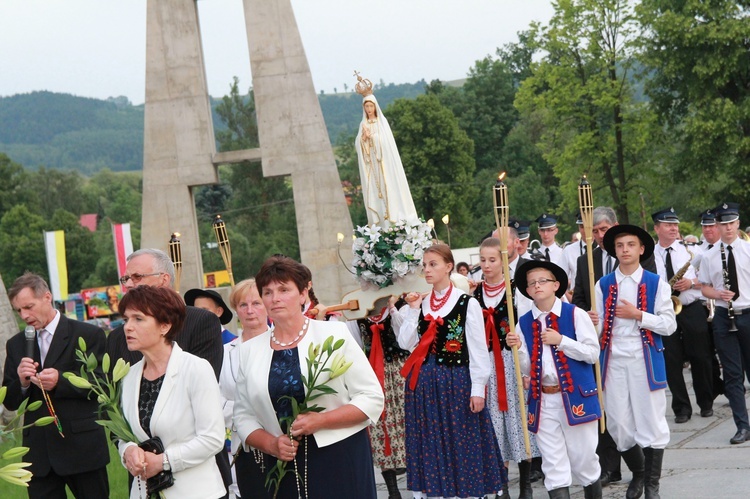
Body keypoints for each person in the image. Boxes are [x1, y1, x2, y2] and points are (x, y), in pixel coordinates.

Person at [234, 256, 384, 498]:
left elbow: (371, 398)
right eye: (268, 292)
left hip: (338, 457)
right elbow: (242, 415)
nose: (275, 298)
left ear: (303, 294)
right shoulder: (249, 351)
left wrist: (321, 421)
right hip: (282, 462)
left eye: (284, 289)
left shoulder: (333, 334)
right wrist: (271, 444)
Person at [398, 244, 506, 499]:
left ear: (448, 266)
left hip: (456, 381)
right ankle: (436, 491)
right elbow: (405, 343)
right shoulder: (420, 305)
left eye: (433, 264)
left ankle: (466, 492)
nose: (427, 270)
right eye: (424, 265)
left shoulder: (466, 303)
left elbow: (479, 350)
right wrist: (413, 310)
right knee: (431, 441)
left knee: (462, 440)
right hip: (425, 384)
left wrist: (478, 389)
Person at [2, 272, 110, 498]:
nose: (25, 315)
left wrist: (62, 381)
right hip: (40, 456)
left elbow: (102, 385)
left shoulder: (88, 334)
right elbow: (9, 401)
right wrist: (21, 383)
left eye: (29, 307)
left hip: (82, 448)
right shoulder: (16, 344)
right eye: (19, 310)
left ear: (47, 297)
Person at [570, 206, 656, 489]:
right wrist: (587, 317)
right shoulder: (586, 260)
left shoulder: (641, 257)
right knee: (608, 410)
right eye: (593, 231)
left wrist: (637, 314)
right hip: (599, 344)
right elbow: (580, 300)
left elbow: (652, 295)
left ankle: (644, 471)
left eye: (603, 229)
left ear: (615, 227)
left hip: (635, 345)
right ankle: (610, 468)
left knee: (638, 412)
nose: (598, 235)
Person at [117, 285, 226, 499]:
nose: (128, 327)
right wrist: (128, 451)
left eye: (138, 319)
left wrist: (164, 461)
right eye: (125, 319)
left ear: (164, 326)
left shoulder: (196, 369)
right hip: (144, 492)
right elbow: (126, 434)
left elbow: (213, 438)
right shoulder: (129, 376)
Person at [506, 261, 602, 499]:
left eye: (543, 281)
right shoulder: (525, 322)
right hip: (543, 400)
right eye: (532, 283)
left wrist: (562, 341)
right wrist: (517, 350)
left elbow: (592, 353)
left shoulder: (575, 314)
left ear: (556, 285)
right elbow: (527, 368)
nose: (537, 286)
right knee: (553, 464)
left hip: (576, 397)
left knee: (585, 460)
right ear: (527, 291)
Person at [596, 225, 676, 499]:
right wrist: (591, 323)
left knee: (651, 421)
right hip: (613, 361)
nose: (625, 250)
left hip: (645, 359)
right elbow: (595, 332)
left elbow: (669, 324)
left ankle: (652, 486)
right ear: (614, 250)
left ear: (641, 249)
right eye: (620, 245)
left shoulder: (656, 283)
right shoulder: (604, 284)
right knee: (618, 424)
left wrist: (639, 314)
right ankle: (640, 473)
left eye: (631, 244)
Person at [474, 235, 539, 499]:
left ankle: (525, 485)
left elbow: (526, 327)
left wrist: (525, 365)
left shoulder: (515, 291)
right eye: (483, 260)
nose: (487, 265)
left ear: (502, 261)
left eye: (492, 260)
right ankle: (500, 487)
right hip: (486, 363)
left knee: (518, 422)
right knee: (493, 427)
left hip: (511, 361)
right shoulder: (474, 293)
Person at [106, 249, 223, 378]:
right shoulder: (117, 338)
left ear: (164, 279)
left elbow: (204, 383)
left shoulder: (200, 322)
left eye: (137, 277)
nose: (128, 284)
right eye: (125, 279)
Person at [651, 208, 714, 423]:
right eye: (668, 225)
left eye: (675, 224)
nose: (674, 228)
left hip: (690, 307)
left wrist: (691, 283)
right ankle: (681, 408)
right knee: (671, 360)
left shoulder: (692, 253)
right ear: (656, 228)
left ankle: (706, 402)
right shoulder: (649, 256)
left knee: (701, 356)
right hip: (665, 311)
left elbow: (708, 280)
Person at [347, 295, 410, 499]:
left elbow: (408, 337)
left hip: (400, 371)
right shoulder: (357, 315)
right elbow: (356, 346)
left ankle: (416, 478)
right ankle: (393, 490)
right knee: (380, 427)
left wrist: (393, 308)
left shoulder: (400, 306)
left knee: (407, 421)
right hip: (373, 373)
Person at [699, 203, 750, 445]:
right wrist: (717, 294)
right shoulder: (708, 256)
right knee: (732, 374)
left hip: (748, 313)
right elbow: (704, 287)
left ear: (738, 224)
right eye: (723, 223)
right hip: (723, 316)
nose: (728, 227)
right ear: (717, 226)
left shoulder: (749, 250)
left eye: (732, 223)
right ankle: (742, 426)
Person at [219, 279, 271, 498]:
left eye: (257, 303)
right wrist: (245, 414)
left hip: (284, 440)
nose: (250, 311)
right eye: (243, 305)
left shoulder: (284, 343)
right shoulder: (224, 352)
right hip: (243, 445)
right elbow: (216, 398)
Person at [355, 75, 418, 226]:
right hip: (373, 168)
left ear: (375, 107)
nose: (369, 109)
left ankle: (395, 218)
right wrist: (363, 139)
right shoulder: (363, 124)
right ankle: (380, 220)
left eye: (371, 106)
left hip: (384, 165)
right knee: (377, 193)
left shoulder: (382, 123)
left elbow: (387, 143)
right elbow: (358, 145)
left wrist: (373, 137)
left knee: (390, 189)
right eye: (366, 107)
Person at [561, 212, 587, 296]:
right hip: (577, 300)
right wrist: (569, 297)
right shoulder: (569, 250)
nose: (585, 230)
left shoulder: (601, 248)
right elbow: (559, 279)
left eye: (588, 226)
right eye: (582, 227)